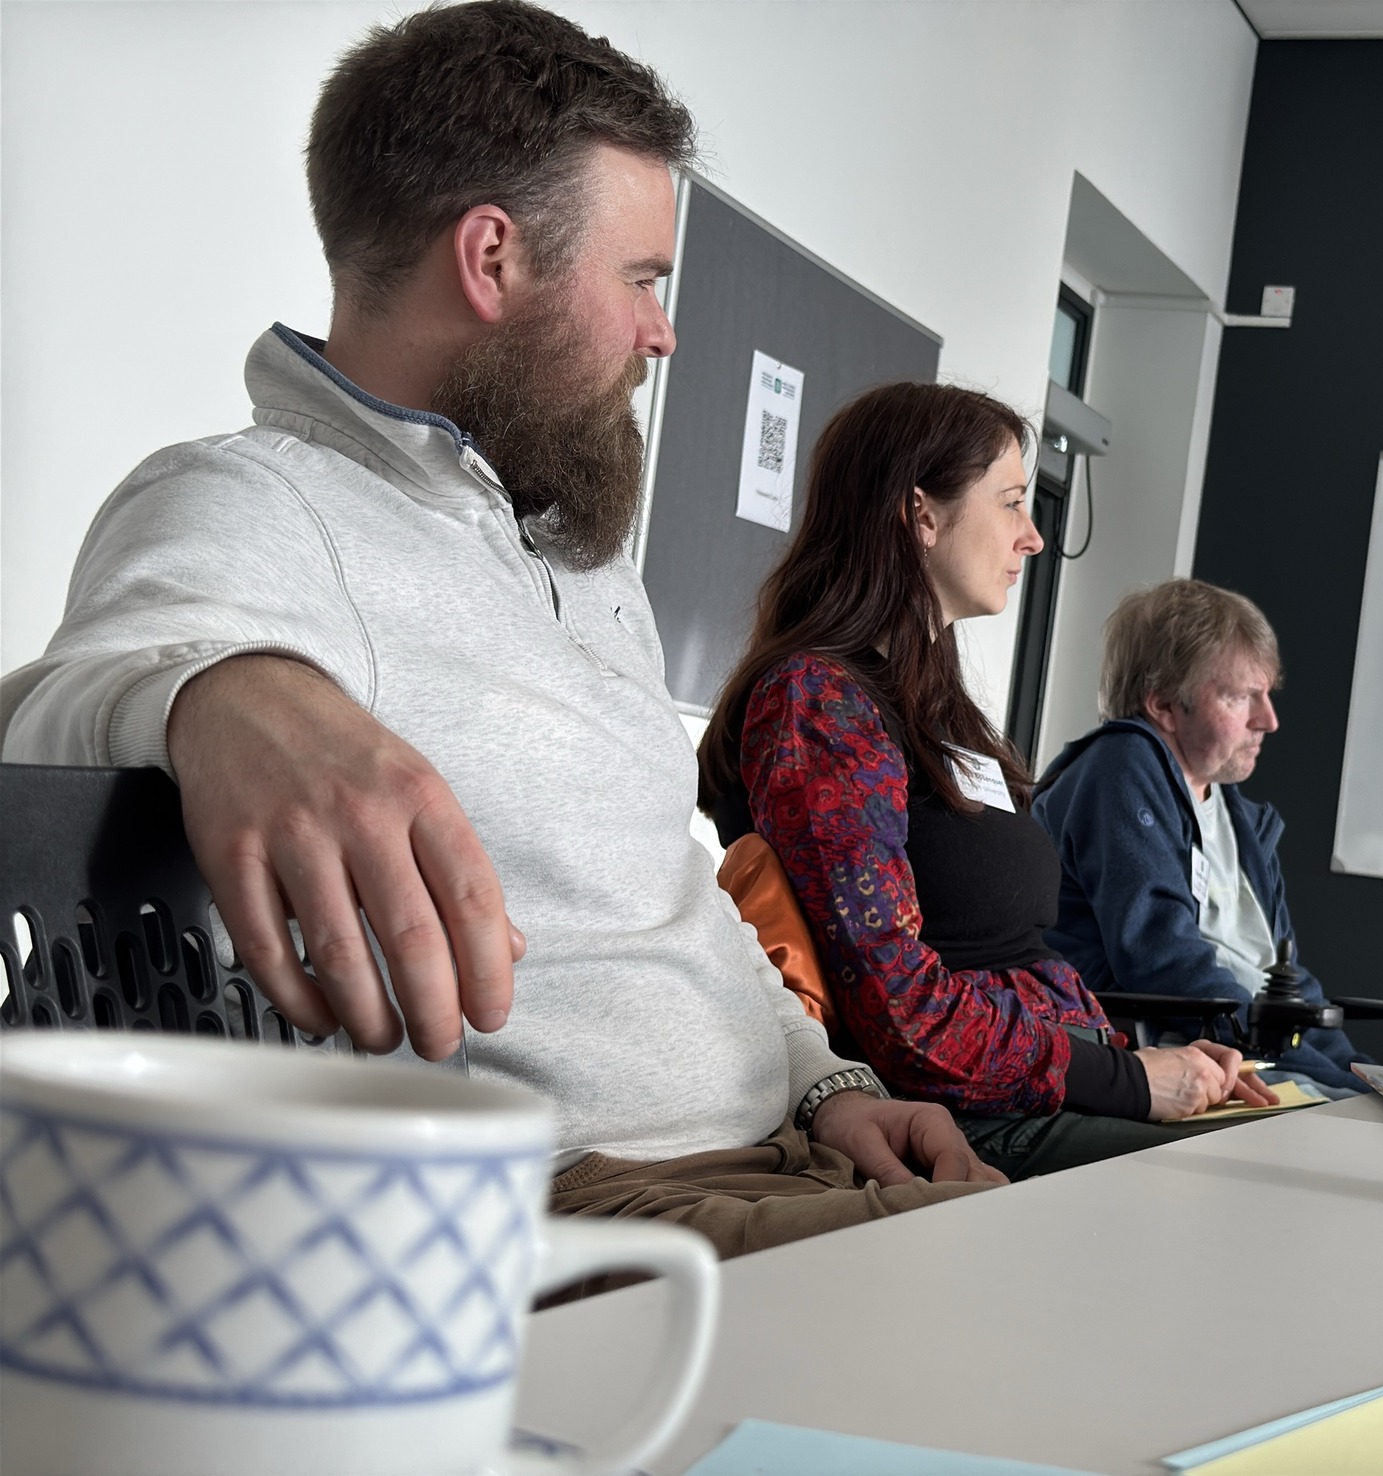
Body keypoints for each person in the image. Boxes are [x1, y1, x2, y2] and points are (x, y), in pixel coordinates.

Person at [0, 0, 1004, 1259]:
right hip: (568, 1201)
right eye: (642, 278)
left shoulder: (584, 556)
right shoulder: (254, 502)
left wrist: (828, 1083)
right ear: (492, 259)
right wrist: (230, 692)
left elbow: (674, 892)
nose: (663, 328)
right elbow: (64, 703)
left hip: (787, 1148)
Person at [698, 383, 1276, 1181]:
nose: (1033, 538)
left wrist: (1156, 1063)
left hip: (1047, 1087)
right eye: (1010, 503)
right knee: (1262, 1184)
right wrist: (1130, 1080)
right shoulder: (819, 704)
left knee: (1296, 1150)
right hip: (965, 1119)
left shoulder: (929, 709)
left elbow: (1005, 958)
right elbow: (899, 1009)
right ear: (921, 515)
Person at [1031, 579, 1369, 1096]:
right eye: (1240, 697)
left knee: (1376, 1111)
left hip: (1253, 1053)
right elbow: (1163, 963)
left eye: (1267, 695)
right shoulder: (1121, 765)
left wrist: (1360, 1074)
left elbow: (1282, 977)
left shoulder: (1241, 819)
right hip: (1181, 1058)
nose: (1269, 721)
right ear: (1164, 703)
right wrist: (1323, 1078)